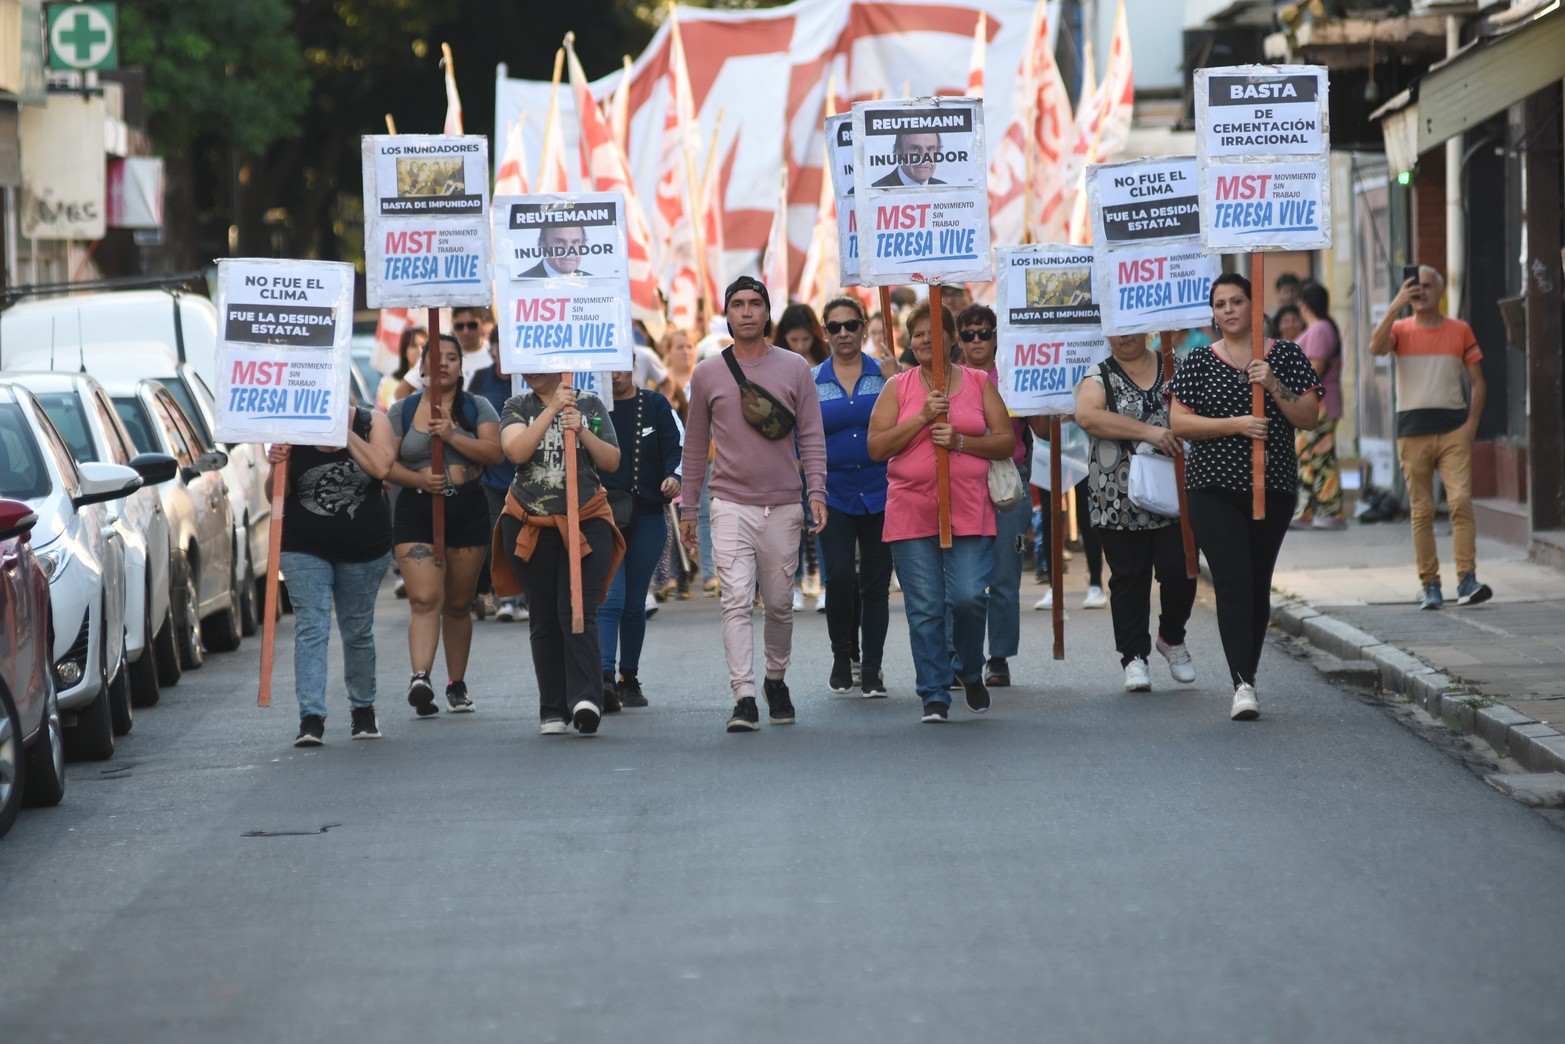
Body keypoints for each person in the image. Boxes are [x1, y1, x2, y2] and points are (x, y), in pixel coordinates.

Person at [1170, 273, 1322, 721]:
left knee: (1256, 582)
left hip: (1271, 487)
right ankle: (1242, 684)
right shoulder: (1198, 361)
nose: (1229, 310)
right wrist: (1235, 424)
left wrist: (1272, 384)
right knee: (1233, 579)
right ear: (1213, 315)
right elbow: (1180, 423)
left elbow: (1309, 416)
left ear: (1253, 306)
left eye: (1237, 301)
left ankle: (1248, 672)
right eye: (1220, 304)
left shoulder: (1287, 355)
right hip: (1212, 489)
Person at [680, 276, 827, 733]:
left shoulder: (795, 368)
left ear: (767, 313)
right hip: (728, 503)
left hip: (784, 504)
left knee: (781, 603)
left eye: (754, 304)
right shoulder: (706, 373)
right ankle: (743, 695)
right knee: (735, 600)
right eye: (737, 304)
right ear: (726, 314)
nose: (746, 312)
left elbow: (812, 436)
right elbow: (694, 446)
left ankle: (775, 678)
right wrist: (689, 510)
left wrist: (817, 492)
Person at [868, 301, 1014, 723]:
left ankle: (969, 669)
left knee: (968, 597)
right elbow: (877, 447)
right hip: (911, 511)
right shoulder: (897, 387)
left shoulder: (978, 381)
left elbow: (1005, 441)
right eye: (917, 336)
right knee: (927, 606)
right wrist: (920, 419)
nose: (925, 342)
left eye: (934, 333)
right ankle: (933, 692)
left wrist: (962, 443)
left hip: (969, 508)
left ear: (952, 338)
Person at [494, 372, 623, 735]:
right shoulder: (516, 406)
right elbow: (515, 452)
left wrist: (581, 428)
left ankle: (586, 699)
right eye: (526, 365)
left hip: (585, 521)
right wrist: (551, 410)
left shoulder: (591, 403)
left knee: (577, 608)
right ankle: (552, 708)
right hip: (529, 524)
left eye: (540, 364)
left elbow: (612, 461)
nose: (531, 371)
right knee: (545, 615)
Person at [386, 334, 504, 715]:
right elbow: (385, 463)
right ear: (420, 367)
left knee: (457, 604)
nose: (443, 364)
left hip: (467, 507)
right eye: (435, 358)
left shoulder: (478, 407)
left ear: (460, 366)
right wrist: (419, 479)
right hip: (417, 510)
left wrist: (451, 435)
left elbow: (496, 452)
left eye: (452, 358)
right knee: (425, 599)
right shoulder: (401, 410)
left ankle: (456, 684)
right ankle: (420, 677)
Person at [1073, 334, 1198, 692]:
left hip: (1174, 493)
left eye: (1131, 328)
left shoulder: (1175, 367)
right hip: (1117, 495)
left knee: (1181, 567)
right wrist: (1150, 432)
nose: (1124, 336)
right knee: (1129, 578)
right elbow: (1087, 415)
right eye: (1116, 329)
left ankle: (1172, 637)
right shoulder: (1099, 374)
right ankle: (1133, 657)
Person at [268, 406, 396, 745]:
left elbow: (382, 467)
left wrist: (343, 430)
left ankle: (363, 709)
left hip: (364, 546)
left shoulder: (371, 422)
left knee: (357, 630)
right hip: (303, 545)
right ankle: (311, 717)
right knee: (312, 625)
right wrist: (276, 464)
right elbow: (275, 496)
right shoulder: (290, 426)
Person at [1369, 265, 1492, 609]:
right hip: (1412, 433)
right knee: (1422, 511)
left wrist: (1471, 426)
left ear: (1440, 291)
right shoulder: (1399, 329)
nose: (1420, 291)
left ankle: (1467, 579)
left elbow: (1479, 381)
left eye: (1426, 286)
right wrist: (1395, 306)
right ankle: (1431, 584)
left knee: (1460, 503)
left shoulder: (1460, 330)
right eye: (1414, 286)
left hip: (1454, 430)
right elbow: (1375, 348)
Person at [814, 295, 893, 697]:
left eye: (851, 325)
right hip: (832, 492)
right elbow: (799, 436)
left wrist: (901, 379)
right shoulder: (811, 380)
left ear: (864, 327)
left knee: (876, 584)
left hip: (883, 490)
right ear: (824, 332)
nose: (843, 333)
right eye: (834, 327)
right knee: (841, 576)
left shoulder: (887, 374)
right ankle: (843, 654)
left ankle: (874, 668)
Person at [599, 369, 682, 710]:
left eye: (621, 366)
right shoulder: (590, 406)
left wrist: (673, 476)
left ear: (634, 365)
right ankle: (603, 676)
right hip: (601, 516)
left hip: (647, 515)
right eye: (608, 367)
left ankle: (627, 678)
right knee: (611, 597)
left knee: (635, 601)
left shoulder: (655, 404)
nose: (615, 374)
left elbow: (677, 447)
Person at [955, 304, 1029, 688]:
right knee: (959, 577)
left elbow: (1047, 434)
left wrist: (1047, 396)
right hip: (959, 484)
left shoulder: (1016, 375)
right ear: (958, 340)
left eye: (984, 332)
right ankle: (960, 653)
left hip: (1007, 483)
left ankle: (997, 657)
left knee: (1003, 573)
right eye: (968, 334)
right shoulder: (949, 379)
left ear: (997, 335)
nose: (977, 340)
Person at [467, 334, 527, 622]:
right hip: (493, 476)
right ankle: (504, 597)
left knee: (525, 536)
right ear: (491, 348)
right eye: (499, 345)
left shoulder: (528, 376)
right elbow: (470, 418)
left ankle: (524, 598)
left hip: (525, 473)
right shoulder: (480, 378)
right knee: (498, 536)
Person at [1293, 283, 1345, 529]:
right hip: (1314, 403)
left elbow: (1315, 367)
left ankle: (1329, 510)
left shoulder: (1320, 329)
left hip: (1319, 404)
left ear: (1304, 306)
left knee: (1321, 457)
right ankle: (1308, 509)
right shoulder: (1321, 327)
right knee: (1308, 455)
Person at [395, 305, 495, 400]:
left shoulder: (495, 353)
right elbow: (402, 391)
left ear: (482, 322)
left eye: (472, 325)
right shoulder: (437, 352)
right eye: (459, 326)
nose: (466, 331)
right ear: (452, 325)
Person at [377, 325, 425, 412]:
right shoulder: (388, 382)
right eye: (413, 346)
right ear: (404, 351)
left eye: (423, 346)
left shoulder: (436, 379)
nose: (420, 350)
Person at [872, 131, 947, 187]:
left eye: (930, 149)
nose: (924, 157)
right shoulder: (877, 189)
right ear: (898, 153)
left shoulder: (945, 189)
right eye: (915, 148)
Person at [521, 224, 593, 279]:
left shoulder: (592, 282)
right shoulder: (523, 281)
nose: (568, 250)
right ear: (543, 246)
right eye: (560, 242)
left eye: (575, 242)